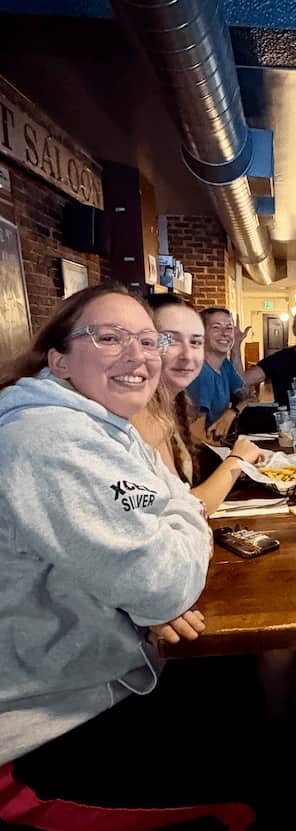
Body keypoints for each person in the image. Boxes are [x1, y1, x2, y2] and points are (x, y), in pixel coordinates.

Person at [0, 282, 215, 790]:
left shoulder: (103, 425)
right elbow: (165, 582)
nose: (137, 354)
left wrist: (165, 550)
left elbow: (178, 504)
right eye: (110, 338)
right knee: (277, 771)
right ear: (59, 361)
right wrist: (156, 588)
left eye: (146, 339)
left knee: (253, 697)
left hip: (103, 683)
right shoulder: (48, 440)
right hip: (41, 734)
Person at [134, 294, 263, 515]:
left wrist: (231, 413)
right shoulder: (142, 414)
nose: (186, 354)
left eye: (194, 341)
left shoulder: (166, 404)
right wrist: (237, 459)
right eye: (170, 339)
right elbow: (185, 511)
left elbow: (248, 396)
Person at [187, 306, 247, 442]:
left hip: (218, 444)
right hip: (203, 453)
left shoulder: (224, 365)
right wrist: (236, 455)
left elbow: (248, 396)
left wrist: (232, 412)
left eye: (229, 328)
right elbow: (196, 438)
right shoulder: (201, 373)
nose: (225, 333)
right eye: (216, 327)